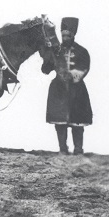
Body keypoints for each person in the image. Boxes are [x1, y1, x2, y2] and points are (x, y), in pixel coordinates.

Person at [41, 17, 93, 154]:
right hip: (58, 90)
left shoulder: (82, 51)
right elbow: (45, 70)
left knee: (77, 122)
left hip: (77, 90)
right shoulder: (56, 51)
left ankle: (78, 149)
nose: (65, 38)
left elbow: (84, 67)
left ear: (73, 35)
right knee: (60, 122)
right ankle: (62, 149)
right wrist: (47, 56)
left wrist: (73, 75)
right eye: (63, 35)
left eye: (67, 35)